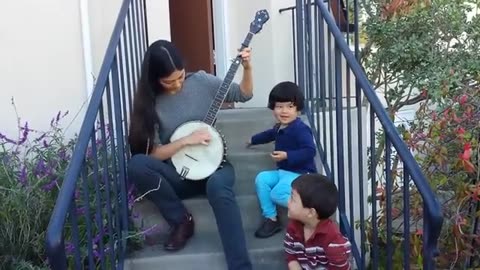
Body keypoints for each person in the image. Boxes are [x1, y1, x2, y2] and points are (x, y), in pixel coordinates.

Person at [127, 39, 253, 270]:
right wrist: (186, 140)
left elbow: (244, 94)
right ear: (155, 79)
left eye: (181, 77)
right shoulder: (149, 104)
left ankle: (241, 266)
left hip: (216, 166)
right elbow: (153, 154)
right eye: (168, 81)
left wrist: (247, 68)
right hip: (181, 173)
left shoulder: (202, 82)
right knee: (137, 164)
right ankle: (180, 220)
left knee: (219, 189)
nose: (177, 85)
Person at [247, 81, 317, 238]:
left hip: (300, 174)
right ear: (273, 108)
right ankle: (271, 218)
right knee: (262, 179)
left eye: (290, 106)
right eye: (279, 106)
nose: (284, 111)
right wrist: (252, 140)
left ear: (298, 109)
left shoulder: (301, 129)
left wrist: (288, 155)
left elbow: (309, 151)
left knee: (277, 194)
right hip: (283, 172)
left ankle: (309, 214)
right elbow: (268, 135)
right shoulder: (279, 127)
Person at [284, 174, 352, 270]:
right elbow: (291, 256)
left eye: (292, 198)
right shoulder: (293, 227)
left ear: (311, 212)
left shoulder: (333, 241)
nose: (288, 201)